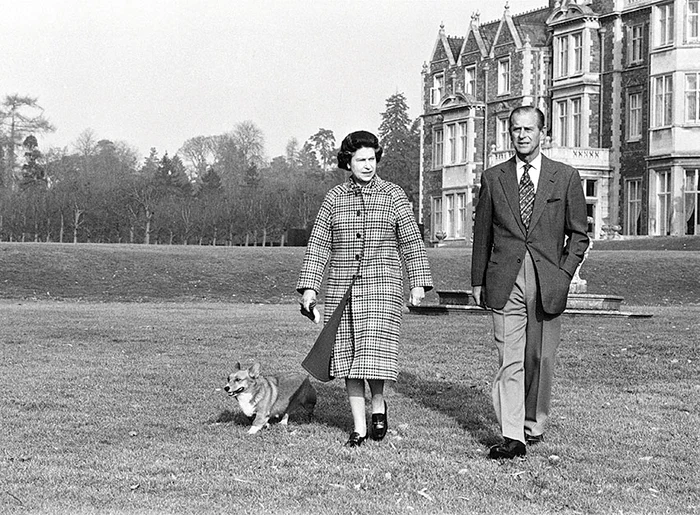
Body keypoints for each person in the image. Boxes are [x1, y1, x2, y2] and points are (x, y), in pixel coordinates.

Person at [297, 130, 433, 448]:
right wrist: (309, 289)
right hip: (344, 286)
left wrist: (418, 283)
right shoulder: (334, 198)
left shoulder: (394, 195)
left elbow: (411, 240)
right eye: (361, 160)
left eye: (372, 159)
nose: (368, 165)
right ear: (348, 162)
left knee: (373, 353)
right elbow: (318, 245)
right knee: (348, 358)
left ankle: (378, 404)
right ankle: (359, 427)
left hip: (383, 285)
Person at [471, 106, 589, 459]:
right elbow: (482, 235)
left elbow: (579, 236)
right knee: (510, 359)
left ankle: (532, 424)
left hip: (547, 279)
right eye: (516, 130)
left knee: (539, 357)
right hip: (504, 279)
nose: (522, 135)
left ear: (543, 133)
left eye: (529, 129)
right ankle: (513, 437)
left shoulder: (565, 176)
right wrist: (478, 280)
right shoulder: (494, 178)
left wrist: (563, 274)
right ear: (509, 133)